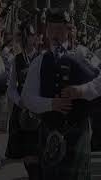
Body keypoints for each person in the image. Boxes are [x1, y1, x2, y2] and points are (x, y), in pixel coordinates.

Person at [21, 7, 97, 179]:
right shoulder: (39, 61)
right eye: (52, 28)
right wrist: (51, 104)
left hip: (78, 130)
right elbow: (27, 97)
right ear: (46, 31)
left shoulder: (84, 54)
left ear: (68, 30)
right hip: (51, 132)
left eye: (61, 28)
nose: (56, 32)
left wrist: (82, 91)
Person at [5, 22, 40, 180]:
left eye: (30, 35)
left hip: (40, 108)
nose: (28, 39)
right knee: (27, 153)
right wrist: (20, 102)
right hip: (23, 110)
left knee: (40, 152)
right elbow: (11, 88)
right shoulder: (16, 60)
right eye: (24, 36)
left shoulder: (43, 57)